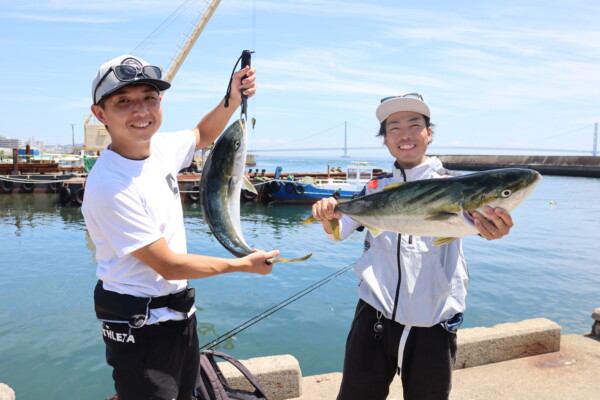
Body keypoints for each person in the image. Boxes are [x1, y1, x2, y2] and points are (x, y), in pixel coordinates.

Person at [82, 54, 279, 400]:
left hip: (179, 315)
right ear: (101, 114)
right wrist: (242, 265)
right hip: (139, 329)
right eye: (124, 102)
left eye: (149, 98)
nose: (141, 110)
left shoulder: (160, 148)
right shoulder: (109, 186)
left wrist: (233, 98)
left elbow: (203, 134)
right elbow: (168, 263)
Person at [310, 93, 514, 400]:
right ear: (385, 139)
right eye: (394, 127)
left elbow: (482, 227)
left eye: (414, 124)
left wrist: (493, 231)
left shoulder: (454, 185)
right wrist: (328, 216)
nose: (405, 134)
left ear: (429, 133)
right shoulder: (374, 188)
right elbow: (339, 232)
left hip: (433, 323)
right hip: (374, 317)